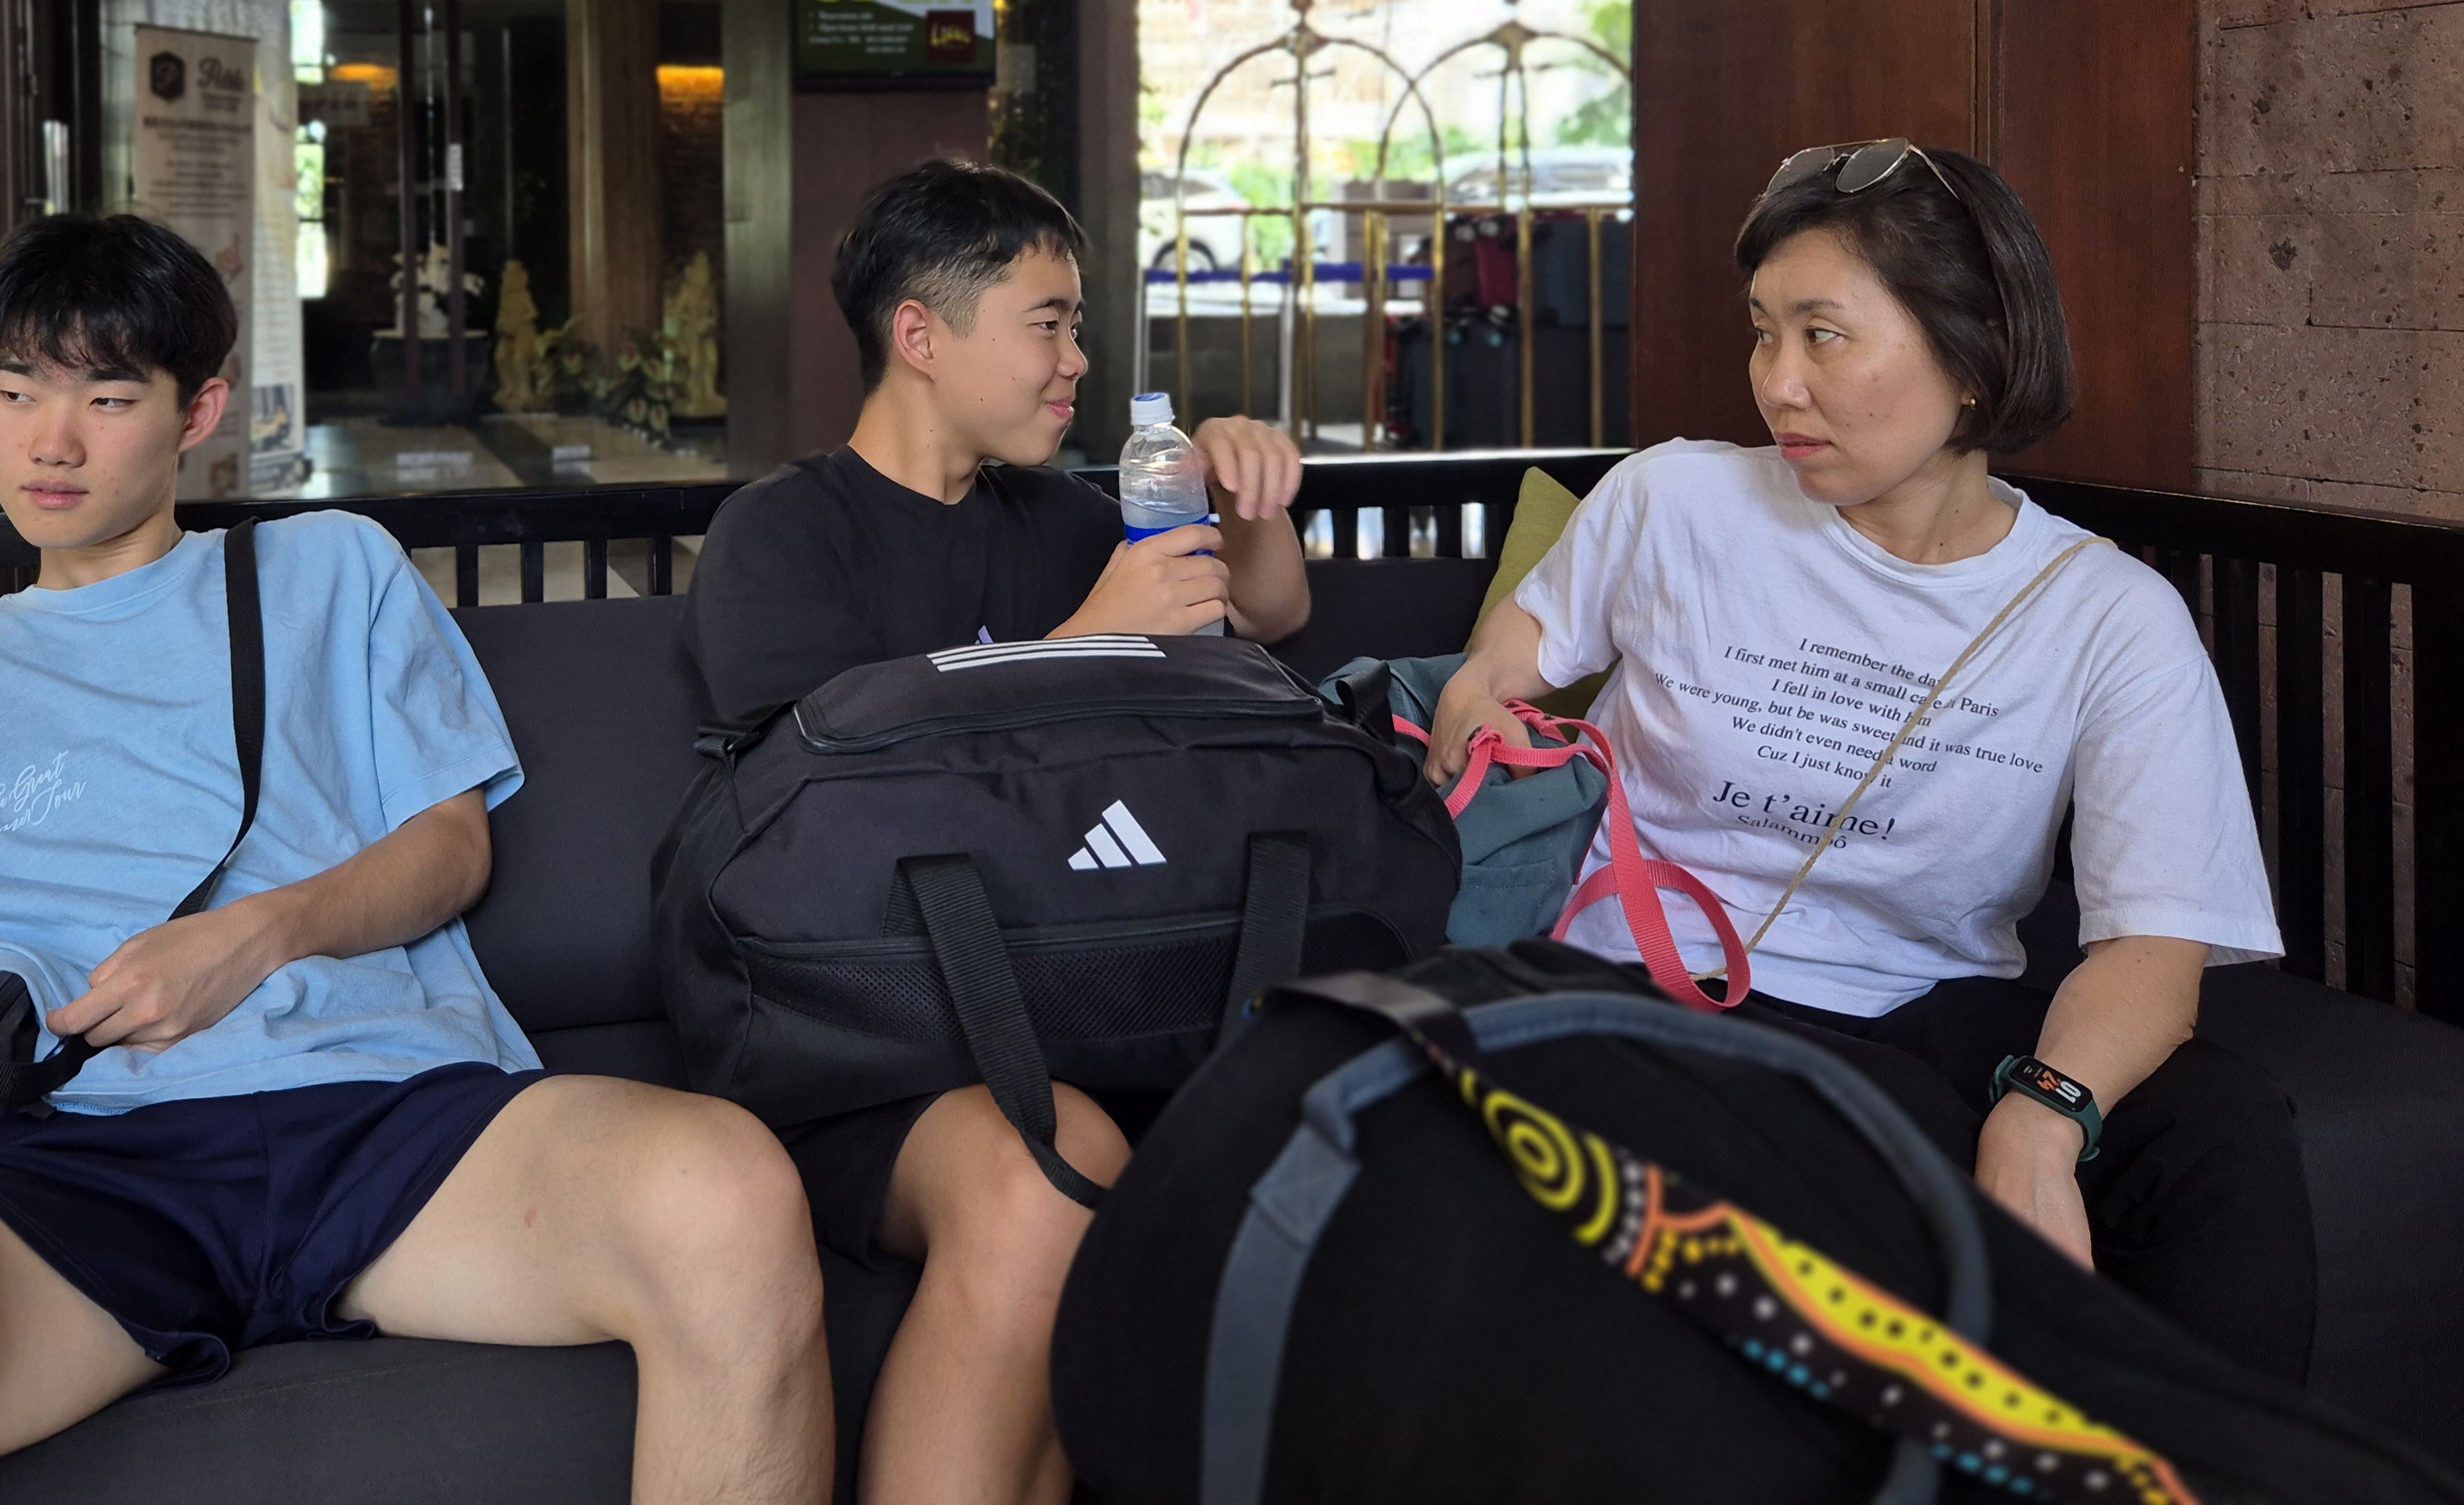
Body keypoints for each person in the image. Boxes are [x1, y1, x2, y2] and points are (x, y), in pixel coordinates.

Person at [0, 213, 828, 1505]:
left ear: (199, 411)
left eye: (109, 400)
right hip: (95, 1157)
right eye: (18, 393)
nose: (52, 442)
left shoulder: (326, 574)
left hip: (396, 1115)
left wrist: (254, 936)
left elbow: (450, 847)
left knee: (725, 1187)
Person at [1429, 140, 2308, 1378]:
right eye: (1763, 333)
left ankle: (2220, 1461)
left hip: (1919, 1006)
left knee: (2218, 1130)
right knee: (1882, 1134)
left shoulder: (2108, 615)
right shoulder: (1675, 502)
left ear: (1973, 353)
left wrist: (2041, 1119)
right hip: (1649, 984)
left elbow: (2154, 948)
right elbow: (1502, 664)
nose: (1777, 382)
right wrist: (1480, 703)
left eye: (1825, 336)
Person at [683, 156, 1308, 1505]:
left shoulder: (1070, 517)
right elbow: (823, 808)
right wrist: (1081, 645)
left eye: (1077, 325)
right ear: (920, 334)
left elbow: (1263, 624)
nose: (1076, 361)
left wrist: (1248, 502)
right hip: (861, 1040)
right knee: (1051, 1170)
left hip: (1080, 1000)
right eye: (1047, 324)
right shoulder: (780, 535)